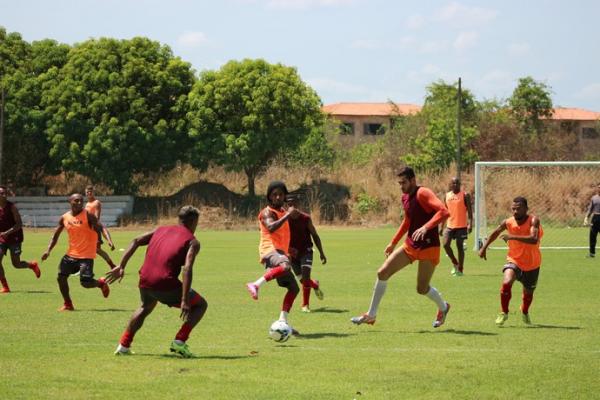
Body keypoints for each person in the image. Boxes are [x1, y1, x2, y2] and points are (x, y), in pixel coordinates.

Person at [351, 167, 451, 328]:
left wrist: (426, 227)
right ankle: (371, 314)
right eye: (399, 183)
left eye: (404, 182)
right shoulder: (405, 197)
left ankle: (444, 308)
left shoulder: (423, 193)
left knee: (421, 288)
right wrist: (393, 242)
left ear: (413, 180)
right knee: (382, 272)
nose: (401, 186)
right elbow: (407, 221)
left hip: (429, 247)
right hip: (411, 244)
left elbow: (444, 212)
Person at [106, 206, 207, 358]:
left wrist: (121, 266)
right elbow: (187, 269)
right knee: (200, 305)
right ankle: (180, 341)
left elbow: (136, 240)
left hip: (145, 280)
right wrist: (185, 300)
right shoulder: (193, 242)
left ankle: (123, 345)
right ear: (193, 222)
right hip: (165, 284)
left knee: (145, 307)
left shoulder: (160, 229)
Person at [478, 196, 543, 326]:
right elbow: (495, 233)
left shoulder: (533, 220)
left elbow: (533, 239)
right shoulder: (508, 222)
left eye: (518, 209)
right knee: (506, 282)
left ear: (526, 209)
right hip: (514, 260)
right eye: (513, 209)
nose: (515, 212)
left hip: (532, 264)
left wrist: (511, 236)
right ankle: (504, 312)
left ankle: (524, 311)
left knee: (528, 294)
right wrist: (484, 247)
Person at [246, 181, 301, 333]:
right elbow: (271, 227)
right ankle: (255, 284)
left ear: (284, 197)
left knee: (294, 289)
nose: (277, 197)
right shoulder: (267, 212)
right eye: (274, 194)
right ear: (269, 197)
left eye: (281, 194)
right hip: (269, 250)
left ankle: (282, 321)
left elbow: (281, 234)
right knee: (285, 266)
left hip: (280, 252)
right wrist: (289, 215)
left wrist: (289, 249)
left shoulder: (283, 212)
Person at [41, 193, 110, 311]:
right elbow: (55, 235)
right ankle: (68, 304)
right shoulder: (64, 217)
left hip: (86, 256)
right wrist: (48, 250)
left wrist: (109, 240)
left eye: (81, 201)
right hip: (71, 255)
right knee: (61, 277)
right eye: (76, 201)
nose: (79, 203)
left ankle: (101, 283)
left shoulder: (88, 215)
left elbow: (101, 227)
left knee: (85, 283)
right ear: (70, 202)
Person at [287, 194, 327, 313]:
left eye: (294, 203)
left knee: (305, 277)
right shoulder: (283, 219)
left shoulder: (305, 218)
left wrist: (321, 253)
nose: (292, 206)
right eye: (289, 204)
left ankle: (305, 305)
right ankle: (314, 284)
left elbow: (315, 235)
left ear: (298, 204)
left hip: (306, 251)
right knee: (303, 281)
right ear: (286, 205)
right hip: (292, 254)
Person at [0, 185, 40, 293]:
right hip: (2, 238)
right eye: (1, 193)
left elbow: (19, 224)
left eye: (4, 193)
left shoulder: (11, 207)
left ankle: (32, 265)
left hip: (14, 238)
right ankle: (5, 287)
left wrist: (7, 233)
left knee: (16, 264)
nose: (3, 195)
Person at [440, 177, 472, 276]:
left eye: (457, 183)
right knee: (445, 245)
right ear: (450, 184)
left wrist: (470, 224)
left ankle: (461, 268)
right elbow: (444, 213)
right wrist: (441, 226)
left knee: (459, 246)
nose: (455, 185)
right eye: (453, 183)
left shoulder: (465, 195)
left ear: (460, 184)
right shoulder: (447, 196)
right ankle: (455, 262)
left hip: (461, 226)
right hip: (449, 226)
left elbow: (470, 212)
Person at [85, 185, 117, 269]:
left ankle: (84, 268)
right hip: (88, 230)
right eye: (87, 191)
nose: (89, 193)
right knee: (94, 250)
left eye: (90, 191)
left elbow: (96, 218)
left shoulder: (96, 202)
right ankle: (112, 265)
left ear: (93, 192)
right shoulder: (87, 204)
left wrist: (91, 224)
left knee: (95, 250)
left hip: (94, 229)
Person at [583, 183, 600, 258]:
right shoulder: (594, 198)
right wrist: (586, 217)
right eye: (599, 187)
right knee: (592, 236)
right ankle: (592, 253)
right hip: (595, 218)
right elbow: (590, 209)